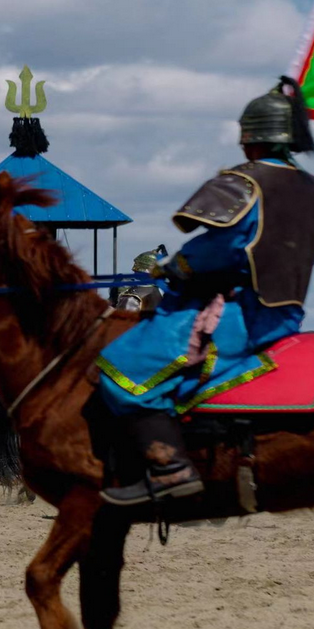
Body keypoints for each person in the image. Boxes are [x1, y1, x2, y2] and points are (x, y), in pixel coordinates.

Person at [97, 76, 314, 506]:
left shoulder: (247, 183)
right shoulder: (308, 186)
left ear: (249, 141)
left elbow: (222, 248)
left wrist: (175, 267)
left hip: (244, 316)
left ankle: (170, 467)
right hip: (287, 313)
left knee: (123, 365)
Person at [111, 246, 167, 313]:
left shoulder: (132, 298)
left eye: (137, 265)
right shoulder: (165, 294)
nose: (133, 269)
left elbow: (123, 321)